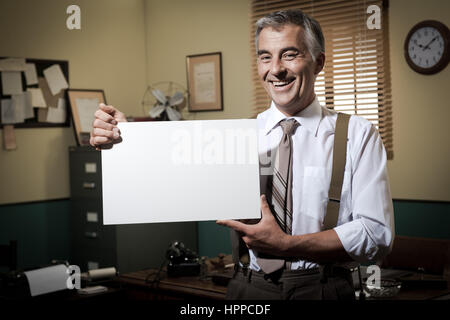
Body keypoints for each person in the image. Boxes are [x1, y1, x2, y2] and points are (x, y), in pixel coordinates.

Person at [90, 9, 394, 300]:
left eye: (290, 54)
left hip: (322, 289)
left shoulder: (357, 134)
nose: (275, 69)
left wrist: (287, 245)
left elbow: (376, 234)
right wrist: (126, 139)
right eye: (266, 57)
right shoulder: (236, 136)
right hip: (247, 288)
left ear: (318, 62)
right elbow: (172, 182)